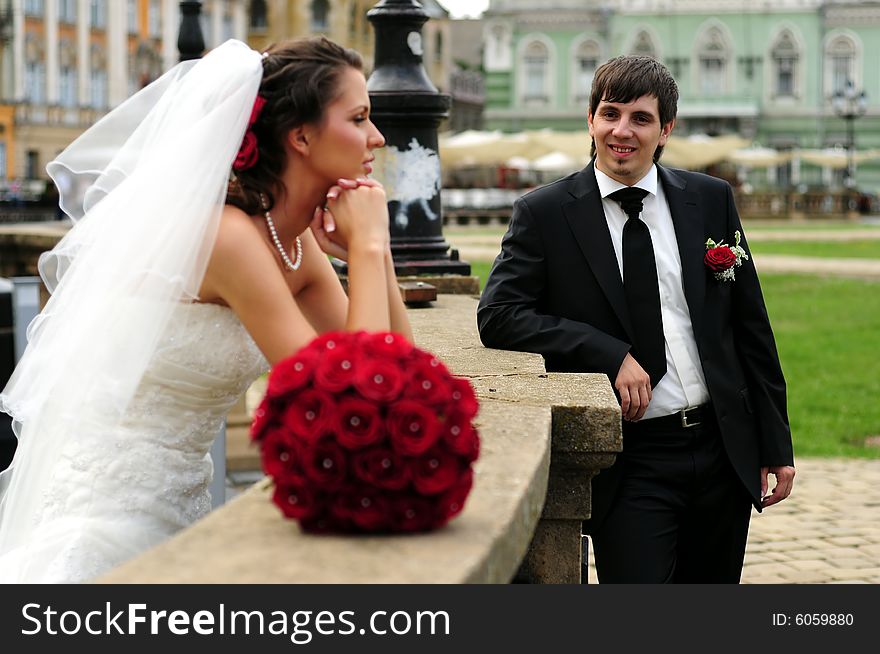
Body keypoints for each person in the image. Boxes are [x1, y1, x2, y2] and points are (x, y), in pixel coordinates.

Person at [0, 37, 411, 583]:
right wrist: (365, 248)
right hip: (109, 516)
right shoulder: (229, 239)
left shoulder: (288, 241)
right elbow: (349, 400)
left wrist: (374, 256)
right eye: (359, 118)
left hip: (183, 501)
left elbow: (398, 371)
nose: (377, 138)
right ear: (302, 137)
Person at [477, 55, 795, 583]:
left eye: (640, 118)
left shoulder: (710, 200)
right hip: (633, 459)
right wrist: (608, 352)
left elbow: (750, 326)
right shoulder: (545, 213)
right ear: (591, 119)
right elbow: (499, 315)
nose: (622, 131)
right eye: (610, 113)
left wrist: (775, 442)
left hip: (722, 448)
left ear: (665, 129)